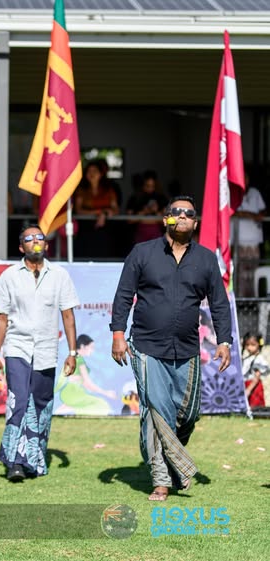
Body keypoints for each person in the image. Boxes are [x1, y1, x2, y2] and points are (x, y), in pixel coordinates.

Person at [111, 195, 232, 502]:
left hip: (187, 349)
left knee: (188, 415)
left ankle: (169, 457)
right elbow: (124, 295)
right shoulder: (142, 253)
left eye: (188, 214)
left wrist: (224, 340)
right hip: (147, 347)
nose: (182, 217)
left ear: (195, 222)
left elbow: (218, 302)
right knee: (157, 412)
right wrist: (118, 334)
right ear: (165, 218)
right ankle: (162, 479)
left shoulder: (205, 259)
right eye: (176, 212)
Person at [0, 224, 80, 482]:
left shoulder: (60, 275)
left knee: (40, 405)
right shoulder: (9, 276)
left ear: (46, 245)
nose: (35, 242)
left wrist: (73, 352)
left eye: (39, 238)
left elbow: (68, 315)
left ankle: (34, 459)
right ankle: (14, 461)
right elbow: (1, 318)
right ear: (21, 247)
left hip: (46, 349)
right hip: (17, 347)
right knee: (18, 401)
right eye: (29, 239)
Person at [55, 334, 117, 416]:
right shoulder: (79, 360)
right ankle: (69, 409)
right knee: (102, 405)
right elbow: (88, 383)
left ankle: (66, 408)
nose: (92, 350)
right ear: (82, 346)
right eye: (91, 347)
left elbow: (84, 383)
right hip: (73, 393)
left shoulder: (72, 358)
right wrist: (106, 393)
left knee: (99, 404)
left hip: (68, 393)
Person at [74, 160, 120, 259]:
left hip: (105, 230)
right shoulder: (81, 190)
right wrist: (98, 212)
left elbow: (116, 210)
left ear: (101, 174)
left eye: (94, 171)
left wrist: (105, 214)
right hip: (86, 230)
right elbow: (78, 211)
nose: (91, 174)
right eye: (89, 171)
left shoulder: (109, 190)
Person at [231, 169, 266, 297]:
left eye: (245, 178)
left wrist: (244, 214)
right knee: (240, 275)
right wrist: (250, 215)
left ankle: (253, 303)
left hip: (254, 242)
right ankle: (240, 303)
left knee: (253, 274)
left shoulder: (255, 193)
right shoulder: (231, 194)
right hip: (238, 242)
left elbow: (263, 213)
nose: (243, 181)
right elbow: (231, 213)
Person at [125, 170, 169, 245]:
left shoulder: (161, 198)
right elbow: (129, 220)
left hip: (156, 234)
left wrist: (156, 212)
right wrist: (144, 212)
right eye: (147, 186)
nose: (150, 189)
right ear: (142, 185)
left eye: (152, 186)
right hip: (140, 234)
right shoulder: (135, 198)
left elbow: (167, 221)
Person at [241, 332, 267, 408]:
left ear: (259, 345)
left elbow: (257, 376)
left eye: (253, 345)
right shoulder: (248, 358)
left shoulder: (258, 359)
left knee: (255, 405)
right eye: (247, 345)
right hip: (246, 384)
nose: (249, 347)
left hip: (254, 386)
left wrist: (249, 389)